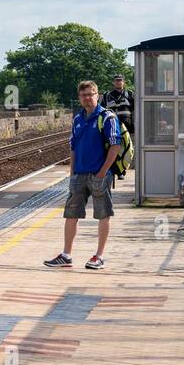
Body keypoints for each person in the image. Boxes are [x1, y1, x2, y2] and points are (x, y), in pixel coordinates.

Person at [44, 80, 120, 270]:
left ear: (98, 95)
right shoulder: (78, 119)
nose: (87, 98)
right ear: (79, 97)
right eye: (83, 95)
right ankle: (66, 255)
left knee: (103, 214)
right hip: (79, 174)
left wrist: (103, 172)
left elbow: (115, 146)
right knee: (71, 214)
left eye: (90, 94)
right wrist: (71, 173)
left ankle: (99, 256)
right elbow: (73, 148)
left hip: (99, 175)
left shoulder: (107, 117)